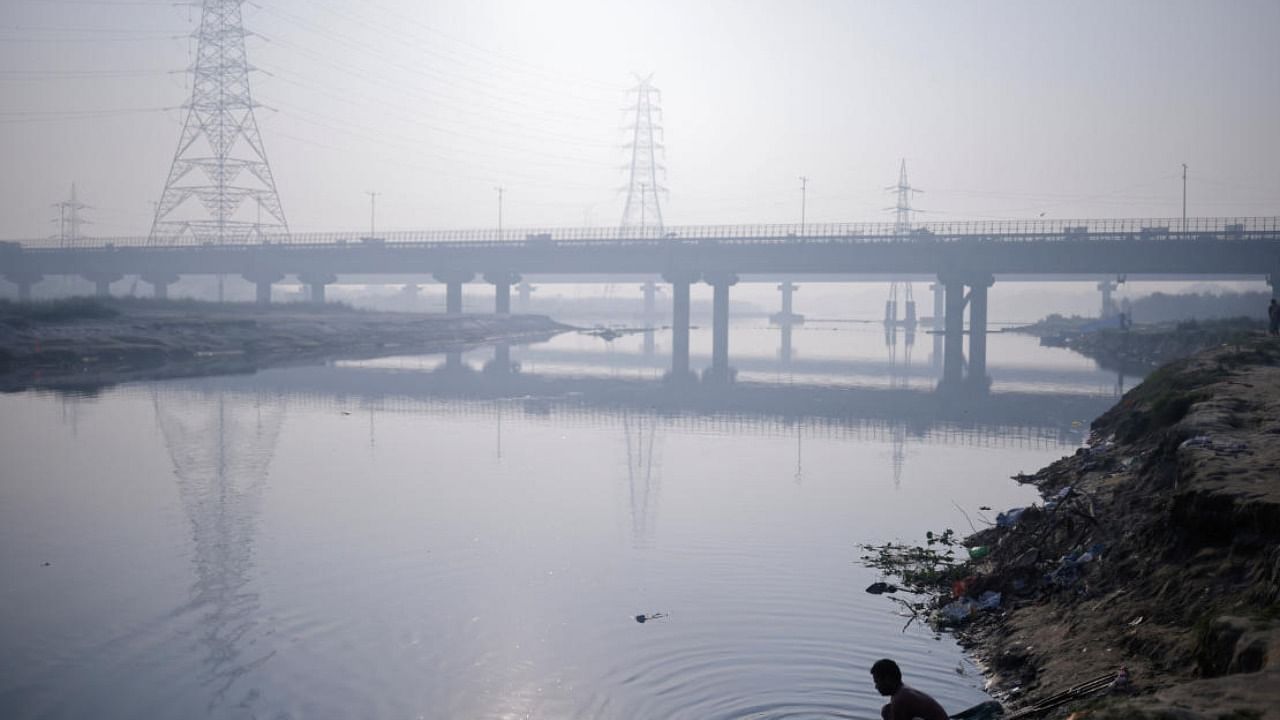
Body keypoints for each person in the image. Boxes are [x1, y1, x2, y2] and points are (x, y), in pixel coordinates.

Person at [871, 658, 949, 720]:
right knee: (887, 710)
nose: (876, 687)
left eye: (877, 682)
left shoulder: (901, 698)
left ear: (888, 679)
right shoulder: (902, 691)